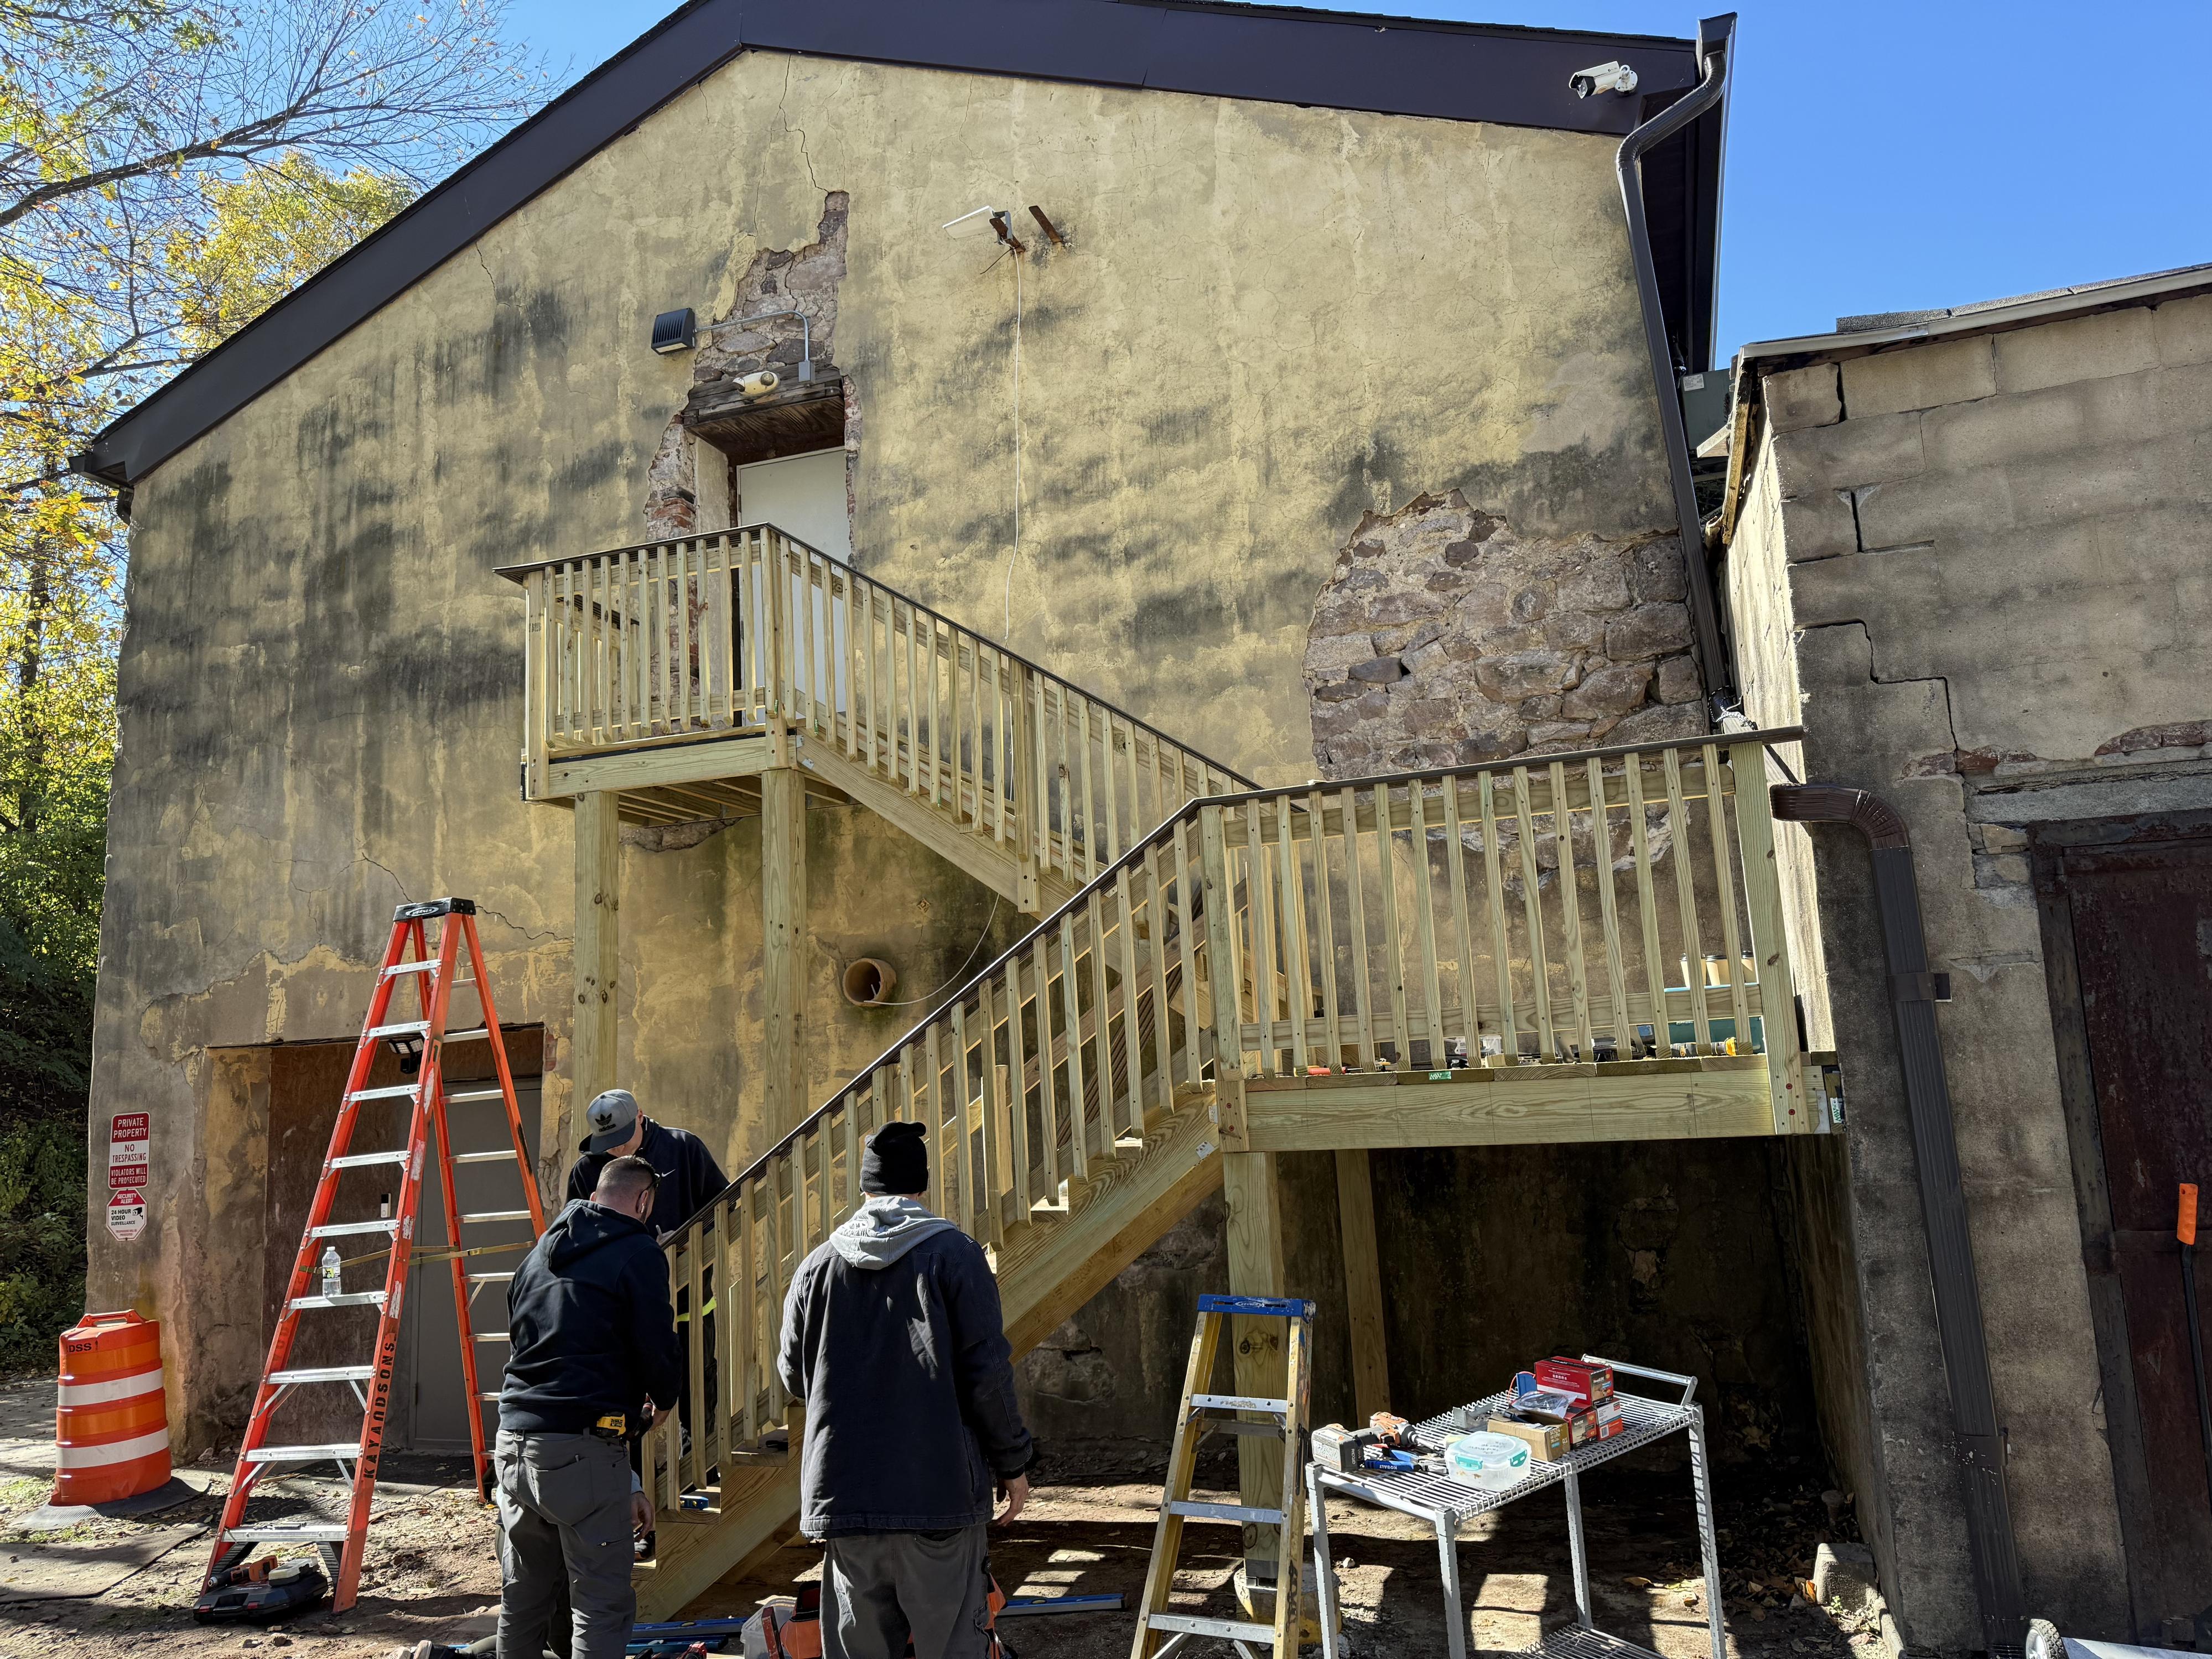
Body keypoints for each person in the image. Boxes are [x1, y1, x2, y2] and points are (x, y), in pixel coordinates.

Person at [777, 1122, 1036, 1659]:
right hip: (935, 1495)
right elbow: (987, 1372)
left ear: (865, 1188)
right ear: (920, 1186)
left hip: (846, 1498)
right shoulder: (955, 1254)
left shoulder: (816, 1267)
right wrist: (1012, 1462)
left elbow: (794, 1377)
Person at [495, 1154, 681, 1659]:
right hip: (581, 1449)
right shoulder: (638, 1252)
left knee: (524, 1598)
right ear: (642, 1201)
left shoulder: (539, 1252)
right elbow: (655, 1343)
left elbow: (520, 1331)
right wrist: (663, 1398)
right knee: (600, 1605)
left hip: (513, 1443)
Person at [565, 1089, 726, 1241]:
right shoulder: (584, 1169)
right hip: (616, 1268)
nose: (619, 1148)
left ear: (639, 1116)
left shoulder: (683, 1146)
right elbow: (575, 1230)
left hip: (684, 1263)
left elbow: (722, 1203)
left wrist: (690, 1238)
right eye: (609, 1142)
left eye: (623, 1138)